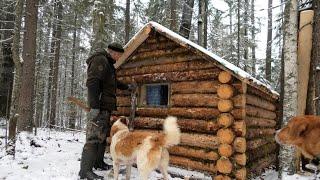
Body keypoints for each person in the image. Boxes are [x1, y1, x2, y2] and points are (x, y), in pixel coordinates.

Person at [79, 43, 135, 180]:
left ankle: (98, 163)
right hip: (99, 107)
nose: (119, 58)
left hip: (105, 108)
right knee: (93, 138)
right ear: (112, 52)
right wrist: (94, 106)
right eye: (118, 55)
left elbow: (113, 83)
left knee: (102, 137)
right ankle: (85, 171)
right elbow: (92, 82)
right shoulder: (100, 60)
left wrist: (127, 87)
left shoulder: (109, 65)